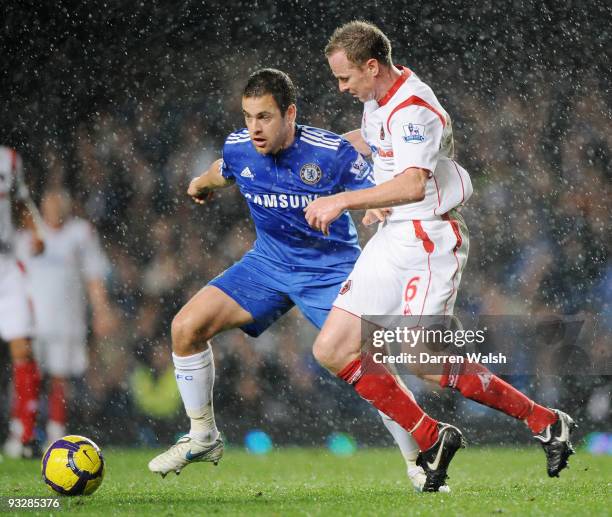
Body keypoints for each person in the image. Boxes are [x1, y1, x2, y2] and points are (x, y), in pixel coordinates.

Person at [148, 68, 452, 492]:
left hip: (332, 270)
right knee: (185, 328)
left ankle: (418, 461)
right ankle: (203, 437)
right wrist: (201, 183)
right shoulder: (240, 147)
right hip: (267, 266)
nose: (254, 128)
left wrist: (374, 208)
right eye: (248, 116)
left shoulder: (330, 153)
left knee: (369, 364)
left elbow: (379, 184)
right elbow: (225, 166)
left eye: (265, 117)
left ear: (290, 113)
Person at [304, 20, 576, 488]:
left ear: (372, 66)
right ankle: (432, 436)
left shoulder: (414, 108)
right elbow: (374, 143)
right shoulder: (378, 99)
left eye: (345, 76)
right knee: (332, 349)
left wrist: (345, 200)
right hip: (393, 236)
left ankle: (546, 421)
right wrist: (311, 145)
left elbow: (412, 183)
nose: (341, 86)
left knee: (424, 361)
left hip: (429, 240)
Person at [15, 188, 115, 447]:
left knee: (60, 378)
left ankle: (55, 433)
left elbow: (94, 276)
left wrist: (101, 311)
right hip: (31, 320)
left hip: (67, 320)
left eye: (59, 204)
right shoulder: (27, 235)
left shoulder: (80, 234)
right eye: (49, 204)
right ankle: (23, 432)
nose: (54, 210)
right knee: (29, 375)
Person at [0, 146, 45, 458]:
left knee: (24, 348)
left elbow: (21, 201)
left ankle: (24, 435)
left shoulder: (9, 159)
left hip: (5, 263)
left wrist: (35, 230)